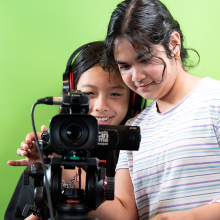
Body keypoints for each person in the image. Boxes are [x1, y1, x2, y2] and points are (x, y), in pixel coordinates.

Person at [88, 0, 220, 219]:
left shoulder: (215, 101)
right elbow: (125, 214)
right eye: (125, 66)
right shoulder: (134, 129)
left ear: (174, 44)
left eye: (146, 59)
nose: (137, 77)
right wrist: (61, 173)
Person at [5, 41, 140, 220]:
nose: (100, 106)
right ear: (70, 96)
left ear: (133, 98)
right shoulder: (47, 157)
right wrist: (49, 165)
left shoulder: (139, 155)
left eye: (115, 94)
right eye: (89, 94)